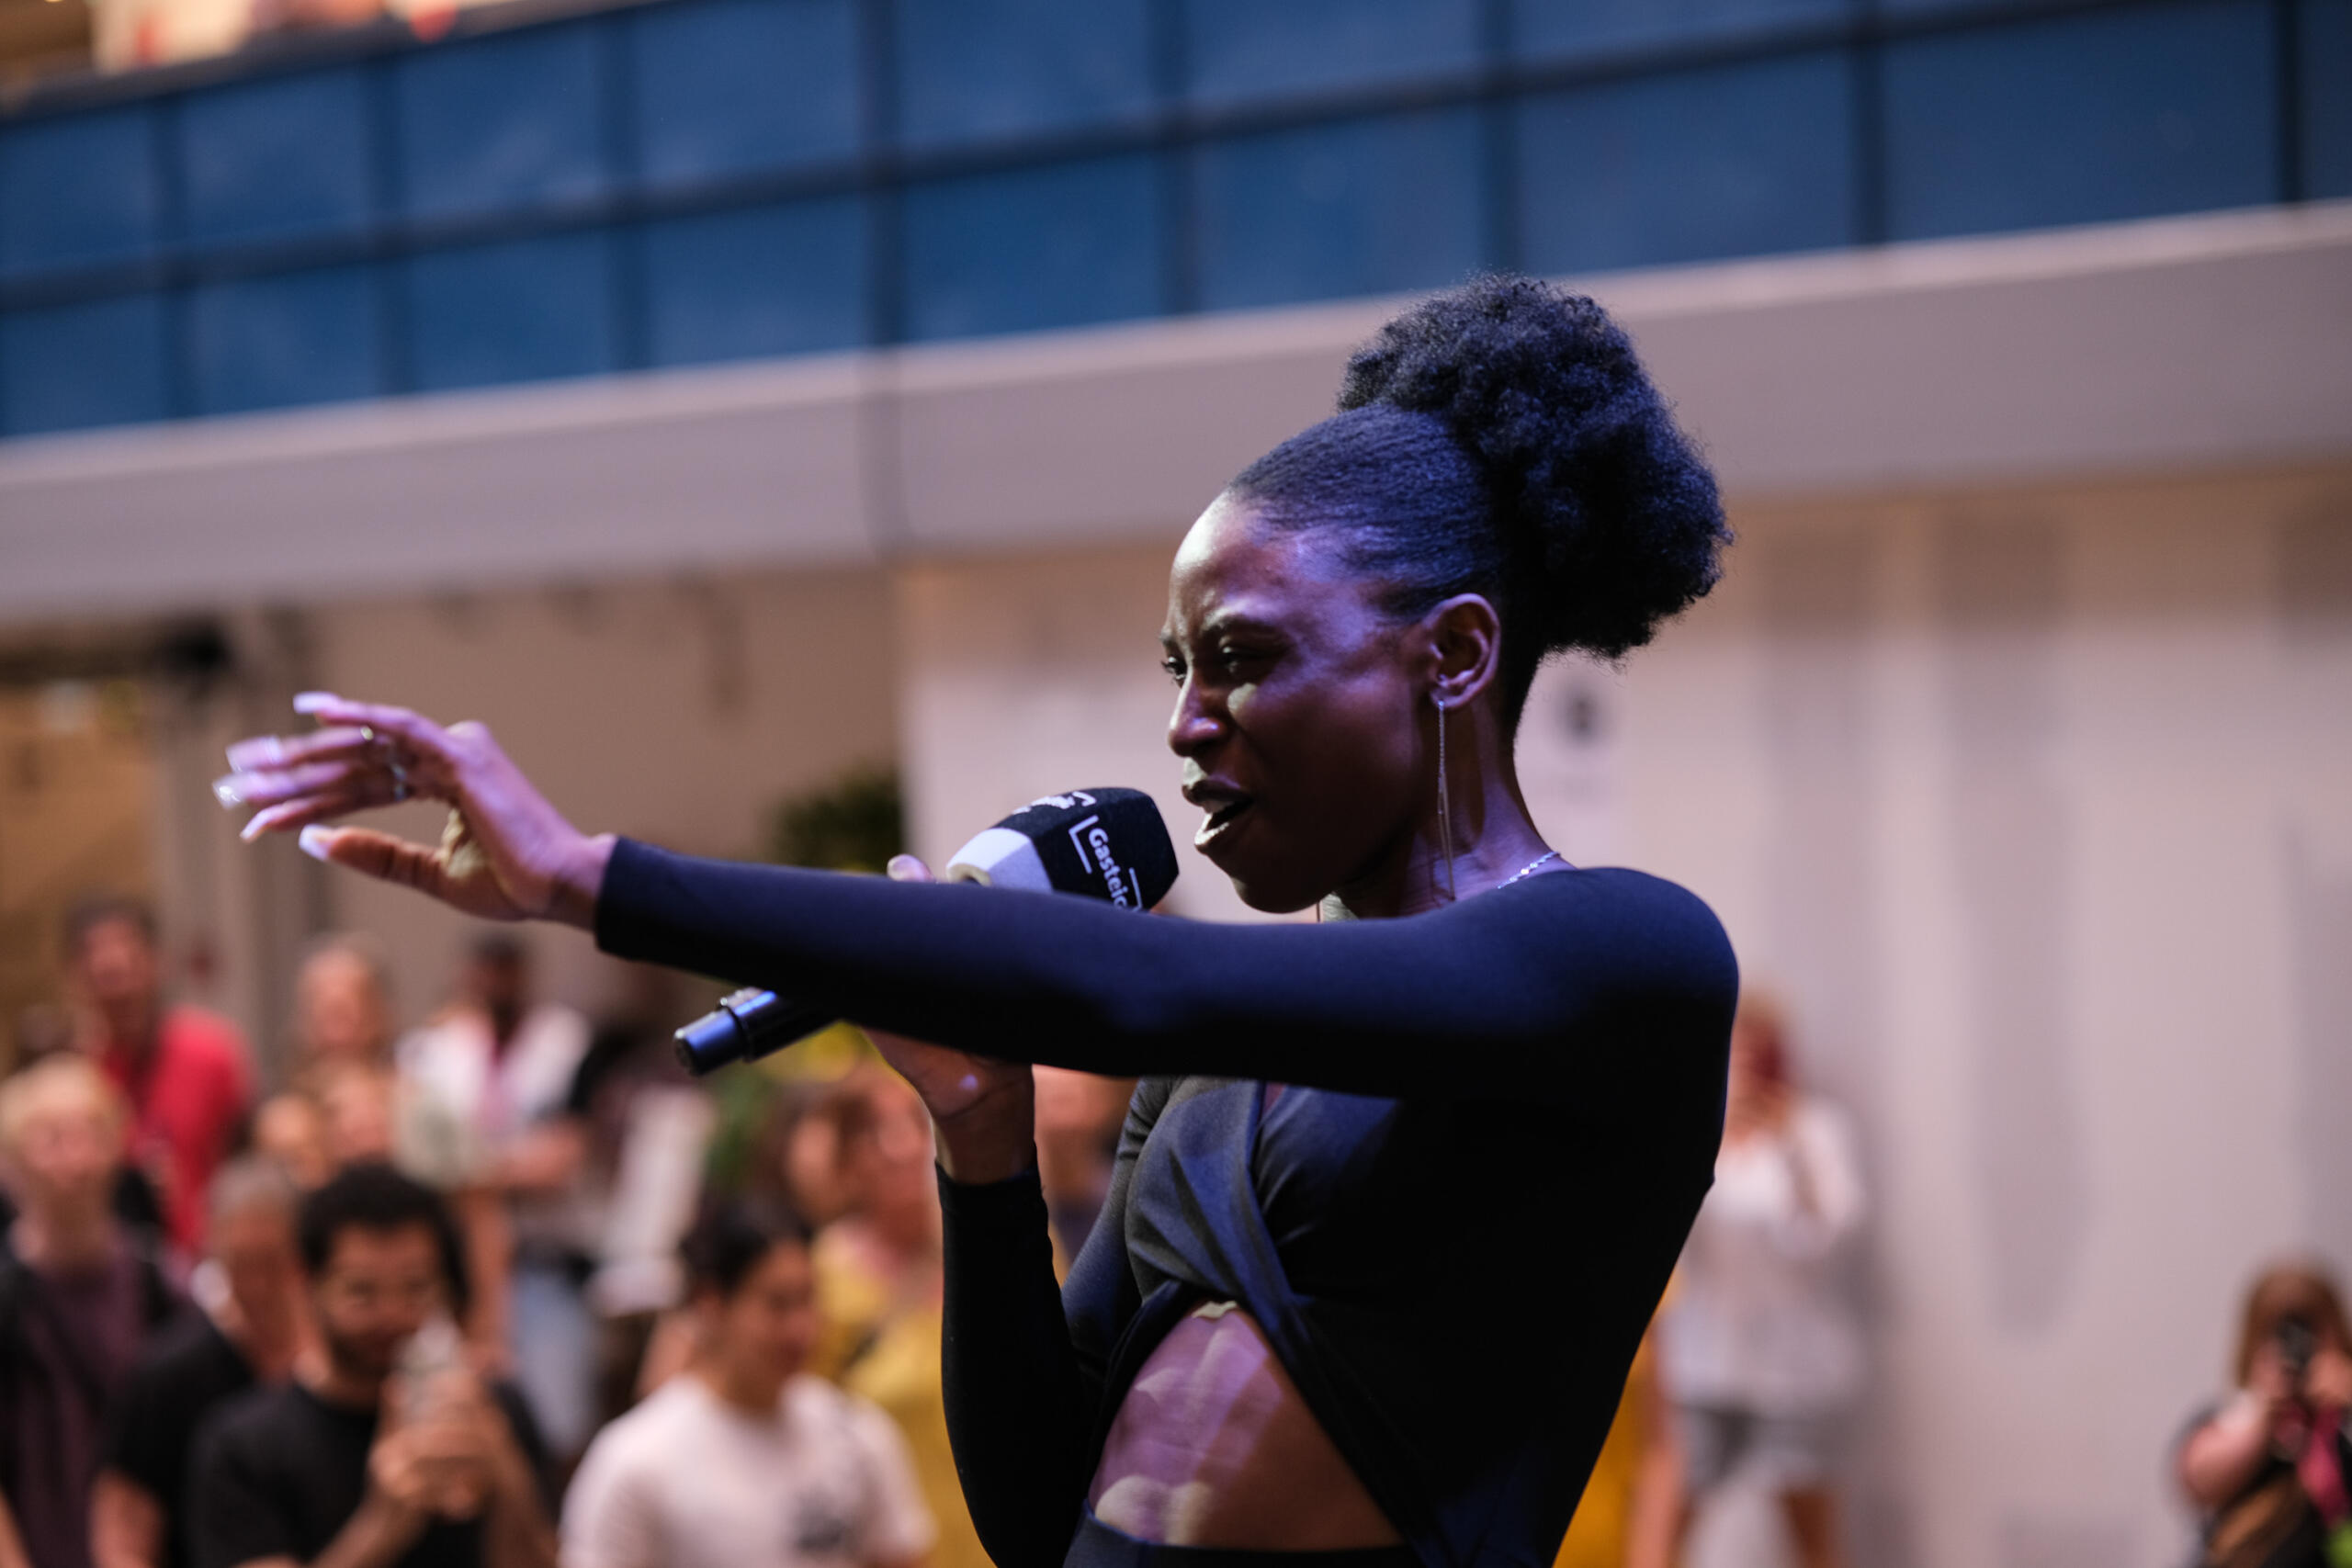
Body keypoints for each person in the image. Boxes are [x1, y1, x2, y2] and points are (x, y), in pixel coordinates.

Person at [217, 274, 1740, 1568]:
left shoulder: (1623, 965)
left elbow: (1149, 983)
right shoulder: (1206, 1088)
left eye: (1243, 658)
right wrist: (982, 1141)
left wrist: (591, 876)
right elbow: (1031, 1504)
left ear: (1456, 653)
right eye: (1175, 674)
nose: (1189, 727)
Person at [186, 1163, 554, 1568]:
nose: (391, 1315)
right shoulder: (244, 1447)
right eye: (361, 1292)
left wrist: (505, 1477)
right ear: (309, 1286)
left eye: (416, 1288)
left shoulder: (496, 1413)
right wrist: (382, 1524)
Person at [562, 1201, 933, 1568]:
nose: (799, 1329)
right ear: (711, 1304)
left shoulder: (856, 1434)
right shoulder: (636, 1459)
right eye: (777, 1304)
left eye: (808, 1300)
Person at [1658, 992, 1864, 1568]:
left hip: (1795, 1368)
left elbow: (1828, 1240)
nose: (1746, 1061)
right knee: (1668, 1521)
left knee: (1809, 1537)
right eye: (1735, 1048)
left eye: (1759, 1050)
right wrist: (1710, 1132)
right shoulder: (1695, 1130)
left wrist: (1789, 1145)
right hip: (1704, 1363)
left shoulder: (1815, 1130)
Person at [395, 938, 593, 1456]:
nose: (495, 984)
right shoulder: (435, 1051)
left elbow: (562, 1160)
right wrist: (503, 1165)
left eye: (507, 972)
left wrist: (471, 1168)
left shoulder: (567, 1042)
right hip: (455, 1271)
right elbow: (425, 1164)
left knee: (557, 1424)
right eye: (486, 972)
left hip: (544, 1262)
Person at [0, 1055, 184, 1568]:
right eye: (52, 1138)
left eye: (90, 1134)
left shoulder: (163, 1283)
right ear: (13, 1162)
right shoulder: (8, 1297)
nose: (74, 1160)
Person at [93, 1158, 312, 1568]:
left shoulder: (337, 1359)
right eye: (241, 1264)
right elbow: (124, 1517)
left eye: (273, 1261)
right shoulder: (171, 1372)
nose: (258, 1285)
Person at [807, 1072, 983, 1568]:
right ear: (845, 1161)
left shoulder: (999, 1244)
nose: (900, 1146)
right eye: (871, 1131)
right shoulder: (822, 1280)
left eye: (913, 1121)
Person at [68, 897, 253, 1258]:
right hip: (109, 1270)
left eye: (129, 966)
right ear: (78, 979)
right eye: (104, 976)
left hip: (208, 1260)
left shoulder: (214, 1054)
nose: (119, 988)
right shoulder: (72, 1077)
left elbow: (244, 1168)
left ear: (158, 963)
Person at [2176, 1262, 2352, 1568]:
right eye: (2281, 1336)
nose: (2297, 1353)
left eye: (2310, 1334)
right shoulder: (2234, 1417)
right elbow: (2197, 1480)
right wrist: (2263, 1416)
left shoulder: (2344, 1426)